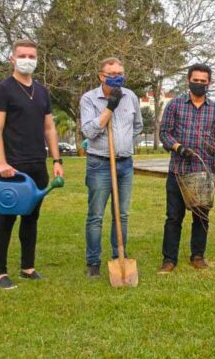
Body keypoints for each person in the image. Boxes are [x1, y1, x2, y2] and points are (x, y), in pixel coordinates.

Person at [0, 39, 64, 289]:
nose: (27, 60)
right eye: (22, 55)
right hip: (12, 167)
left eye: (31, 56)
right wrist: (1, 163)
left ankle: (27, 267)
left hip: (37, 164)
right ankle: (0, 273)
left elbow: (49, 128)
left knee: (31, 217)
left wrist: (57, 160)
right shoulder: (2, 90)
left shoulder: (42, 91)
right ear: (12, 59)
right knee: (7, 218)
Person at [158, 63, 215, 273]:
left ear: (209, 84)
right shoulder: (175, 105)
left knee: (202, 217)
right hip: (178, 171)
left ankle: (198, 256)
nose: (198, 84)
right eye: (195, 80)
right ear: (188, 81)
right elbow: (164, 133)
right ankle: (169, 259)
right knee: (174, 217)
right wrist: (178, 147)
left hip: (203, 172)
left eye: (202, 82)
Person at [80, 57, 142, 278]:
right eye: (112, 74)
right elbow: (88, 131)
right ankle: (93, 262)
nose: (117, 77)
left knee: (122, 214)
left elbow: (138, 126)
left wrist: (123, 145)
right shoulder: (89, 99)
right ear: (101, 76)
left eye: (120, 73)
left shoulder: (131, 96)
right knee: (96, 215)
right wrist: (109, 108)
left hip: (125, 163)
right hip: (99, 164)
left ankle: (120, 256)